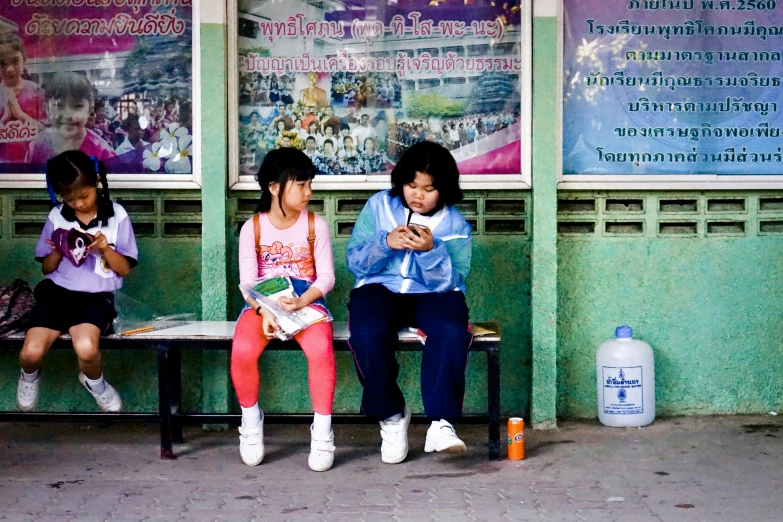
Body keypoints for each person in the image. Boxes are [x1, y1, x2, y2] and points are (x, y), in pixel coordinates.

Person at [346, 141, 473, 464]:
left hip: (433, 296)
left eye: (428, 189)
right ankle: (391, 415)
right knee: (367, 331)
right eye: (411, 185)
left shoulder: (455, 224)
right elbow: (356, 263)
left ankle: (441, 423)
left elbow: (451, 281)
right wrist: (386, 243)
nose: (418, 195)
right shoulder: (378, 207)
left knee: (451, 332)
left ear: (443, 190)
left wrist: (432, 251)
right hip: (379, 289)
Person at [231, 148, 336, 471]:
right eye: (301, 185)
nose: (308, 192)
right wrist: (265, 312)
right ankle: (250, 420)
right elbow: (247, 282)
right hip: (264, 303)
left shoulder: (315, 225)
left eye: (310, 184)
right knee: (243, 350)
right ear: (274, 187)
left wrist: (303, 302)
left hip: (307, 301)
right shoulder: (254, 228)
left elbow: (327, 276)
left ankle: (322, 431)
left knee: (320, 349)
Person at [17, 150, 138, 413]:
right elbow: (46, 269)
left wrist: (105, 249)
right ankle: (28, 377)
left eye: (84, 196)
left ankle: (96, 384)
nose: (79, 204)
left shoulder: (116, 215)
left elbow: (125, 269)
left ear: (96, 182)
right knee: (31, 353)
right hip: (56, 294)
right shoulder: (57, 216)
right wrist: (58, 249)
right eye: (70, 199)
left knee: (86, 348)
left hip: (94, 299)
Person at [26, 73, 116, 165]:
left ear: (90, 109)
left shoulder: (103, 152)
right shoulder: (36, 146)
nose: (68, 115)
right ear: (47, 109)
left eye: (77, 106)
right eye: (59, 106)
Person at [0, 33, 47, 162]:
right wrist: (4, 119)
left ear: (24, 60)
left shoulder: (37, 92)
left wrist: (20, 115)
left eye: (15, 61)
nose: (9, 69)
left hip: (34, 164)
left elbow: (48, 133)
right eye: (2, 63)